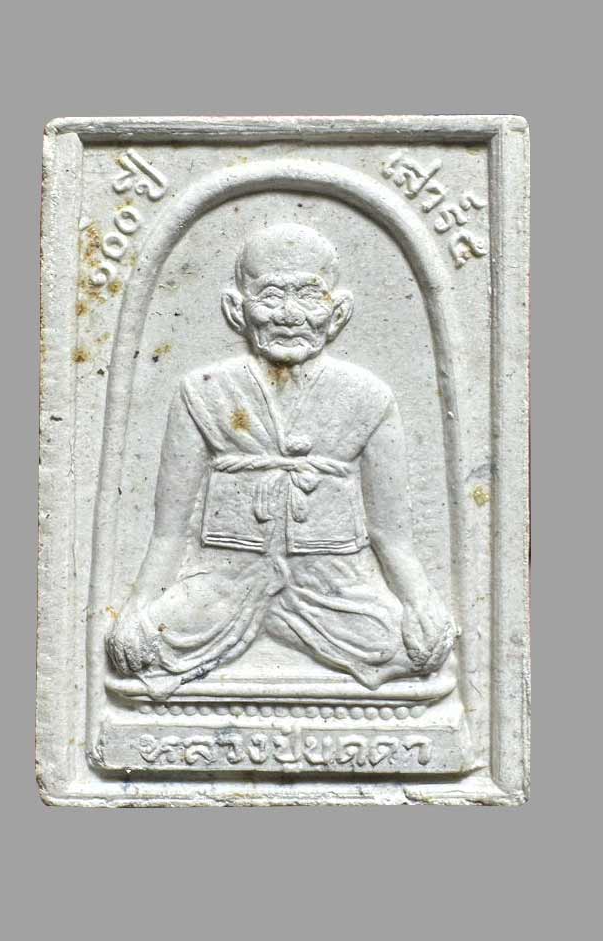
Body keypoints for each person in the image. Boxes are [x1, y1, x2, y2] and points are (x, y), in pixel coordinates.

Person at [107, 223, 454, 692]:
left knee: (420, 650)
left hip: (332, 589)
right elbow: (170, 530)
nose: (290, 315)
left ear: (338, 311)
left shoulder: (368, 397)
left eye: (309, 296)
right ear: (237, 309)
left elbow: (390, 536)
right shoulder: (202, 392)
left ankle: (288, 629)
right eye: (270, 296)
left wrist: (420, 603)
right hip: (222, 585)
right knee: (136, 651)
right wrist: (137, 607)